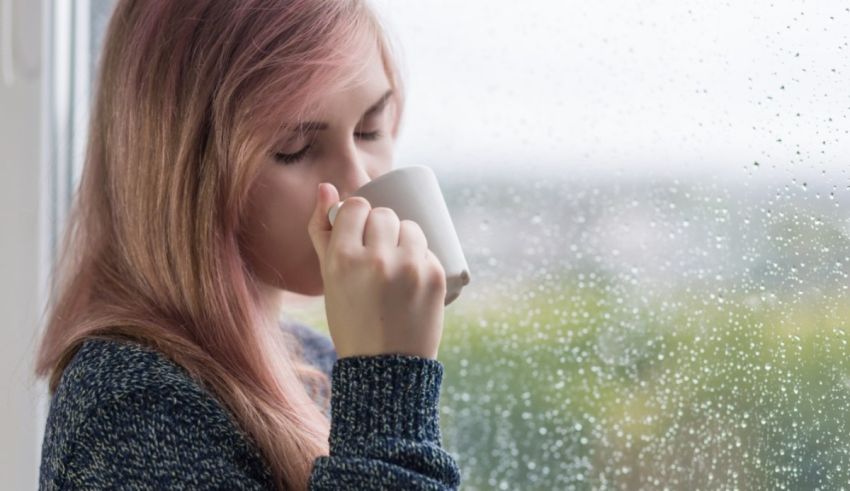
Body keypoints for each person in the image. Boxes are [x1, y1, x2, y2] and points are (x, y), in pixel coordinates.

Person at [33, 1, 461, 489]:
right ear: (187, 173)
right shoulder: (135, 409)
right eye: (295, 149)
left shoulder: (315, 365)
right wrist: (390, 383)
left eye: (370, 129)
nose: (358, 180)